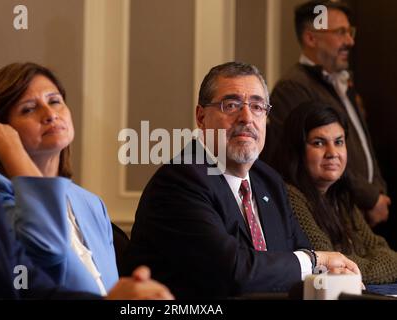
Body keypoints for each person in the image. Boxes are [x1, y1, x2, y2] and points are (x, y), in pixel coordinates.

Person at [0, 26, 173, 300]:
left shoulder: (90, 203)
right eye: (29, 109)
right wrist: (12, 149)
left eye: (55, 101)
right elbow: (45, 253)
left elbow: (46, 291)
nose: (50, 115)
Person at [121, 61, 360, 299]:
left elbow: (298, 258)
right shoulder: (180, 180)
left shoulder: (269, 181)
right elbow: (234, 272)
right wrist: (317, 260)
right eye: (231, 105)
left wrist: (330, 273)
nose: (246, 117)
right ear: (201, 117)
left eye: (257, 106)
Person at [262, 0, 390, 228]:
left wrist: (379, 190)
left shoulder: (341, 83)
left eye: (350, 32)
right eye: (341, 32)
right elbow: (308, 156)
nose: (350, 41)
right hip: (332, 215)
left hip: (359, 212)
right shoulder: (292, 87)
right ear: (311, 38)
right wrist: (370, 198)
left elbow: (363, 143)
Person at [274, 101, 397, 296]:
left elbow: (388, 255)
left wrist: (356, 268)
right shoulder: (291, 197)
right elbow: (331, 265)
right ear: (297, 149)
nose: (332, 153)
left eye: (339, 142)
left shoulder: (340, 197)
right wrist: (362, 266)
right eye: (319, 143)